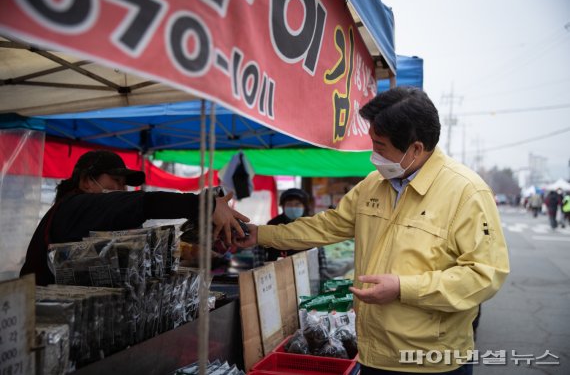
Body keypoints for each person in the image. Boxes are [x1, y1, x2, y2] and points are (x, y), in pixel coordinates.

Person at [234, 87, 510, 374]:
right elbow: (328, 225)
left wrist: (404, 288)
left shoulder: (467, 193)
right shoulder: (372, 185)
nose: (373, 155)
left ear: (415, 148)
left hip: (431, 360)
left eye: (380, 146)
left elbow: (484, 275)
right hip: (372, 354)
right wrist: (263, 235)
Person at [20, 150, 249, 285]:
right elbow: (145, 203)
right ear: (87, 181)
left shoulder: (91, 214)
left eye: (125, 184)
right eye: (116, 181)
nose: (122, 189)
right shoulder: (76, 205)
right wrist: (203, 205)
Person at [252, 188, 329, 278]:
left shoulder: (311, 224)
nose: (293, 208)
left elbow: (320, 249)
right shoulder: (273, 224)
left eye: (297, 204)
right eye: (289, 204)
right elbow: (259, 247)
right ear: (283, 206)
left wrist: (323, 270)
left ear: (304, 206)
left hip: (307, 273)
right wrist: (260, 269)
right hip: (278, 274)